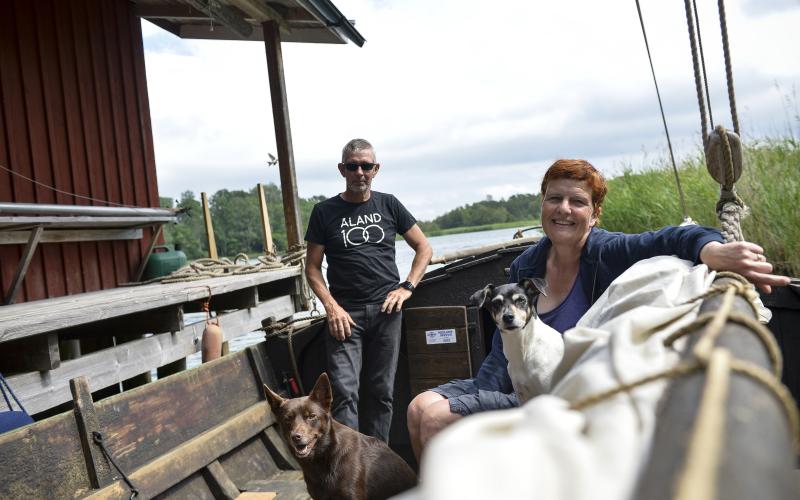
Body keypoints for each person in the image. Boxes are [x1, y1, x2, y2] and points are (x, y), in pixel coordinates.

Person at [407, 158, 789, 461]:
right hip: (519, 385)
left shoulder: (607, 252)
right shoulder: (527, 264)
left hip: (567, 393)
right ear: (542, 203)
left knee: (438, 419)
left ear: (595, 213)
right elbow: (502, 349)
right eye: (554, 198)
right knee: (418, 408)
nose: (564, 209)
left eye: (578, 201)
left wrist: (711, 250)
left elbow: (673, 236)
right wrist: (480, 394)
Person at [305, 138, 432, 442]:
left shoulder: (389, 204)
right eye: (353, 166)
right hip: (344, 316)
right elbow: (312, 269)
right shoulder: (324, 211)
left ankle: (377, 463)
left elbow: (424, 248)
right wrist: (331, 308)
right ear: (342, 169)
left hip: (387, 312)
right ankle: (350, 466)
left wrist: (407, 287)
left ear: (376, 169)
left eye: (366, 166)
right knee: (345, 393)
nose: (359, 171)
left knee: (381, 393)